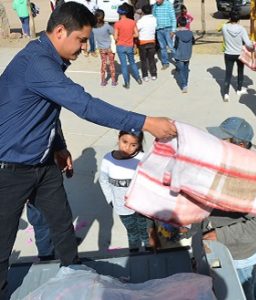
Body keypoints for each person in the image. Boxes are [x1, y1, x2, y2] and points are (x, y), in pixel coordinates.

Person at [0, 3, 176, 297]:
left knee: (62, 228)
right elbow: (85, 105)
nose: (84, 47)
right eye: (81, 40)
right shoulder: (38, 64)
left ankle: (75, 279)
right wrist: (145, 122)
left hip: (43, 166)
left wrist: (58, 146)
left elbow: (42, 110)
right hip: (10, 171)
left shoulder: (49, 59)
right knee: (2, 244)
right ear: (59, 31)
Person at [204, 117, 256, 300]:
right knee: (252, 283)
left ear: (241, 145)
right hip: (234, 248)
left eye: (223, 140)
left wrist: (220, 235)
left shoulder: (250, 179)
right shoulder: (233, 159)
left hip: (237, 253)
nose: (216, 143)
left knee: (241, 291)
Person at [99, 131, 155, 251]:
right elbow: (103, 180)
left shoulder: (143, 158)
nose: (128, 147)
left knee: (145, 232)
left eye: (133, 145)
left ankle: (149, 255)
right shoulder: (108, 159)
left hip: (141, 207)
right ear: (118, 138)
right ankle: (134, 255)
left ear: (139, 145)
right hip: (122, 207)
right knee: (132, 233)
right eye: (124, 142)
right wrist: (110, 199)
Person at [221, 10, 254, 102]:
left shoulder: (224, 27)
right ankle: (239, 89)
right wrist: (253, 45)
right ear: (239, 19)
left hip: (228, 53)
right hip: (239, 53)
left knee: (228, 73)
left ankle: (226, 94)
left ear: (230, 18)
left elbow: (224, 27)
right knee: (240, 71)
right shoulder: (241, 29)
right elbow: (247, 43)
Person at [114, 3, 142, 89]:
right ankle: (138, 79)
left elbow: (115, 37)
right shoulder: (132, 22)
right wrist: (130, 35)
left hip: (120, 46)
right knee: (132, 62)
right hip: (129, 45)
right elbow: (136, 35)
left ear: (119, 13)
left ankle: (126, 83)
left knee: (123, 65)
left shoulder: (117, 24)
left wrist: (119, 37)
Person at [93, 9, 117, 87]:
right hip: (109, 47)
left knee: (103, 63)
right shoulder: (107, 26)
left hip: (101, 48)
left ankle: (103, 81)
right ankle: (113, 81)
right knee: (112, 64)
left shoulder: (94, 28)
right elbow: (114, 34)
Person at [153, 0, 176, 70]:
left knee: (171, 46)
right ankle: (165, 63)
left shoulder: (168, 4)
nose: (157, 1)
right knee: (162, 47)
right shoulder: (155, 5)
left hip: (168, 29)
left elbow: (173, 18)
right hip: (159, 30)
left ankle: (179, 61)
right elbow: (153, 17)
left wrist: (173, 30)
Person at [137, 4, 158, 82]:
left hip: (142, 42)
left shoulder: (141, 21)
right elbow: (155, 27)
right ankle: (154, 74)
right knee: (151, 59)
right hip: (152, 41)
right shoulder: (154, 19)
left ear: (142, 12)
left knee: (143, 60)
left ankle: (145, 75)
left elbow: (137, 29)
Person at [174, 16, 194, 93]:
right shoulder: (190, 33)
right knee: (186, 69)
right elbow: (193, 42)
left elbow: (175, 45)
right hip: (188, 54)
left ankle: (184, 85)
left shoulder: (177, 34)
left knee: (181, 71)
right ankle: (186, 82)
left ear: (178, 24)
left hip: (180, 55)